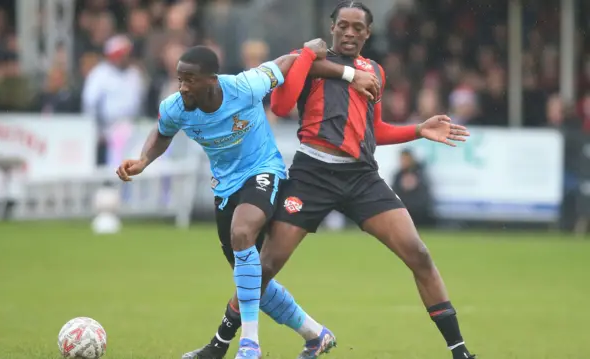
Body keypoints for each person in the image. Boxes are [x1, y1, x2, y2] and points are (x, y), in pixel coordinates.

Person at [116, 43, 380, 359]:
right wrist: (144, 160)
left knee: (242, 233)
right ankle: (314, 334)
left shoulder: (244, 86)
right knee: (250, 279)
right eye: (179, 79)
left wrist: (349, 74)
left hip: (263, 170)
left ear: (211, 79)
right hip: (226, 188)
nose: (182, 86)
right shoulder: (176, 106)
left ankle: (249, 345)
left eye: (189, 79)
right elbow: (162, 132)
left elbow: (289, 62)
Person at [264, 2, 477, 359]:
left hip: (360, 176)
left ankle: (460, 352)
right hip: (311, 173)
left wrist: (418, 130)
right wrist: (305, 56)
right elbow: (280, 106)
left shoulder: (373, 70)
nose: (349, 33)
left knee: (419, 254)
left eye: (357, 28)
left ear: (368, 33)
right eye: (343, 25)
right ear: (331, 27)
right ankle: (222, 342)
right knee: (266, 265)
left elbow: (373, 130)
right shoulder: (306, 60)